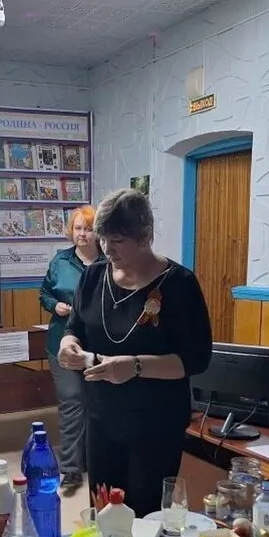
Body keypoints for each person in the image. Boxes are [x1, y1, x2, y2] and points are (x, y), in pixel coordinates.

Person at [58, 189, 213, 516]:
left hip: (155, 422)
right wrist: (67, 344)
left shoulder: (179, 284)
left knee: (144, 513)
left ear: (145, 235)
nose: (107, 249)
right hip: (101, 415)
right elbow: (75, 327)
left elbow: (196, 359)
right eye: (102, 239)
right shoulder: (93, 276)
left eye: (117, 240)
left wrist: (136, 366)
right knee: (103, 509)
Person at [39, 205, 102, 495]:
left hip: (100, 347)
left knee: (97, 404)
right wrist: (55, 306)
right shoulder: (60, 261)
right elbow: (44, 293)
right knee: (73, 401)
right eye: (78, 228)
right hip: (62, 344)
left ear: (97, 232)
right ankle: (71, 469)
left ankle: (92, 460)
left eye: (88, 228)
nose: (82, 234)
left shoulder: (109, 262)